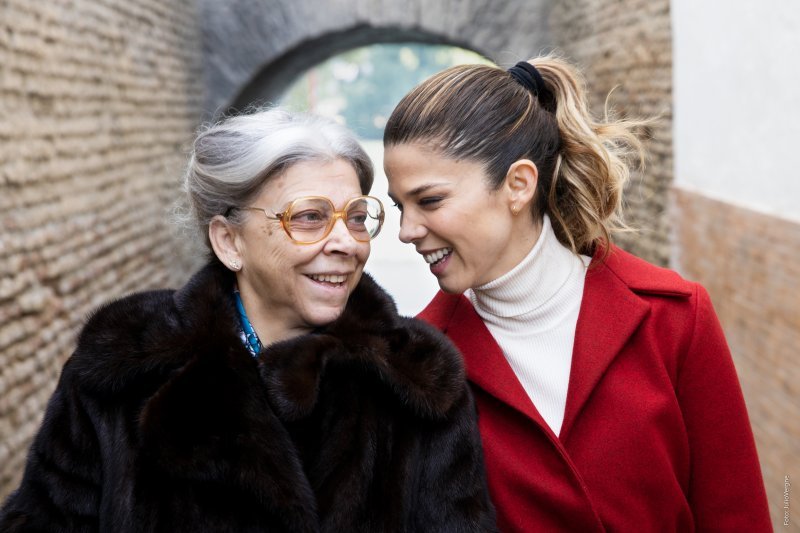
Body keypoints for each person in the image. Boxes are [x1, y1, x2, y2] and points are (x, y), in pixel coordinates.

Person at [0, 108, 496, 532]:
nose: (347, 242)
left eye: (357, 217)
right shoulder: (122, 366)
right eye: (309, 217)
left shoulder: (419, 380)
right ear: (229, 241)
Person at [382, 55, 771, 532]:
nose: (407, 230)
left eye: (429, 200)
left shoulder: (675, 318)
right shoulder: (414, 366)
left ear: (518, 185)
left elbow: (738, 517)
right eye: (399, 206)